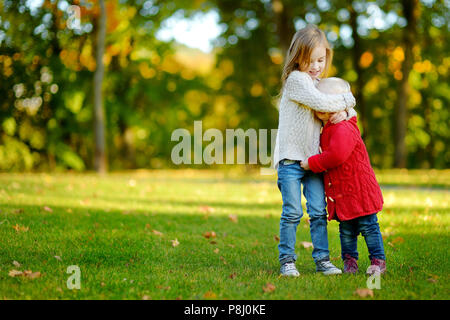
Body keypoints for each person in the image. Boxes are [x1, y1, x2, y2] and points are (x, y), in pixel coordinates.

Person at [273, 24, 357, 276]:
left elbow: (342, 113)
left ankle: (322, 260)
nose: (316, 66)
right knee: (293, 212)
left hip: (313, 160)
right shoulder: (297, 81)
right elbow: (322, 102)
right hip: (291, 160)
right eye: (309, 60)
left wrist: (346, 111)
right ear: (297, 58)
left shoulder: (318, 83)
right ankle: (287, 260)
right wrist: (349, 100)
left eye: (321, 60)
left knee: (319, 211)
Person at [300, 77, 386, 275]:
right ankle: (350, 262)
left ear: (341, 104)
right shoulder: (328, 127)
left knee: (368, 227)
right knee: (346, 231)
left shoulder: (343, 126)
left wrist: (311, 163)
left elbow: (336, 155)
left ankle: (378, 261)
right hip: (344, 194)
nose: (323, 106)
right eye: (319, 101)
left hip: (359, 191)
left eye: (329, 102)